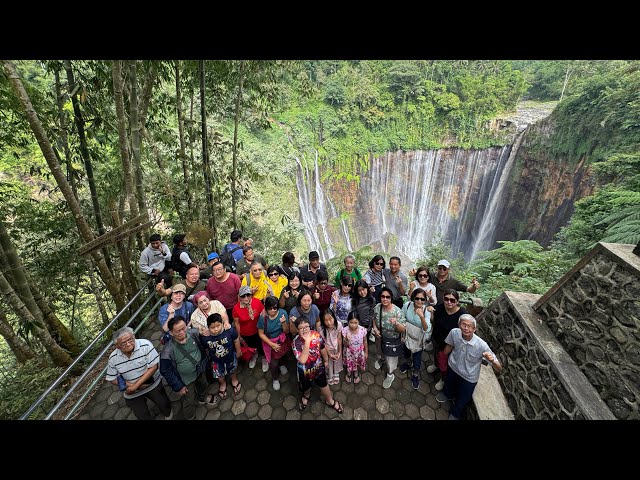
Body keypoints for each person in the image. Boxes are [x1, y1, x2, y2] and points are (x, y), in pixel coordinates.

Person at [436, 314, 502, 420]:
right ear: (459, 325)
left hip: (469, 376)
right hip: (453, 367)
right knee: (448, 384)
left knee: (463, 398)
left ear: (474, 329)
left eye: (470, 326)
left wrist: (492, 361)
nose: (466, 328)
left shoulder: (481, 345)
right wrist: (442, 359)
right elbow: (450, 345)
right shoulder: (454, 332)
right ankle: (447, 395)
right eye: (464, 325)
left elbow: (499, 368)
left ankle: (455, 413)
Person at [105, 327, 172, 420]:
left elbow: (154, 366)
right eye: (123, 343)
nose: (128, 344)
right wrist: (132, 386)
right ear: (117, 346)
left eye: (130, 339)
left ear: (134, 336)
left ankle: (168, 414)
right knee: (141, 415)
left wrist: (135, 386)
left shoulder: (145, 345)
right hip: (131, 390)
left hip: (151, 383)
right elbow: (111, 378)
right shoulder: (113, 358)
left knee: (164, 403)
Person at [160, 316, 216, 420]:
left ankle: (203, 398)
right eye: (178, 331)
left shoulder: (194, 333)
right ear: (171, 333)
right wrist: (178, 387)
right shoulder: (167, 351)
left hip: (200, 369)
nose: (182, 332)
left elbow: (204, 344)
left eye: (183, 328)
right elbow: (165, 371)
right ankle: (190, 416)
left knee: (203, 384)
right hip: (185, 379)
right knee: (189, 399)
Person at [292, 317, 344, 414]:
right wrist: (307, 341)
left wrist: (326, 360)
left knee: (323, 384)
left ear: (310, 326)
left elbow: (322, 348)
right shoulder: (296, 342)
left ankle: (330, 400)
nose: (305, 330)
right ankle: (306, 395)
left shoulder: (316, 335)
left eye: (306, 327)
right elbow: (302, 360)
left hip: (318, 369)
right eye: (301, 328)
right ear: (296, 329)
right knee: (305, 386)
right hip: (304, 372)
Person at [427, 289, 467, 391]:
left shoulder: (462, 315)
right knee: (437, 355)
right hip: (437, 339)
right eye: (446, 299)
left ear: (457, 301)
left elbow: (467, 330)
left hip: (451, 345)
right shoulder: (440, 308)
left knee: (446, 364)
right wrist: (431, 312)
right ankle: (436, 365)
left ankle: (443, 379)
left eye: (452, 300)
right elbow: (433, 320)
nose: (449, 302)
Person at [200, 313, 243, 402]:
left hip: (230, 357)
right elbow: (206, 349)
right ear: (208, 327)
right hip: (216, 361)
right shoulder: (205, 338)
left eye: (218, 326)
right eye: (212, 327)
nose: (216, 329)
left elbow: (236, 340)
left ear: (222, 324)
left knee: (232, 369)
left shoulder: (229, 331)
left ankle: (234, 380)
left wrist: (238, 351)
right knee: (219, 374)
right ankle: (222, 384)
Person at [373, 286, 406, 389]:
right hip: (380, 337)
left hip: (392, 340)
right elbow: (374, 318)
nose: (385, 299)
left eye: (388, 297)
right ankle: (382, 359)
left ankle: (390, 375)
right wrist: (375, 328)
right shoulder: (378, 307)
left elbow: (403, 330)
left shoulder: (397, 312)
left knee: (391, 361)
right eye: (383, 296)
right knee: (380, 351)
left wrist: (396, 323)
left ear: (391, 298)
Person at [400, 288, 432, 390]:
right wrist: (402, 331)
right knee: (406, 352)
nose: (419, 301)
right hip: (407, 334)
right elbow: (401, 316)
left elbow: (426, 329)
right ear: (413, 298)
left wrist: (422, 317)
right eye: (417, 298)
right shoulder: (407, 305)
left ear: (425, 300)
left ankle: (416, 374)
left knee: (417, 357)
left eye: (422, 299)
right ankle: (408, 363)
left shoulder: (426, 311)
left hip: (418, 338)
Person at [257, 296, 290, 391]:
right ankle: (275, 379)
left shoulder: (283, 313)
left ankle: (282, 364)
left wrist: (283, 323)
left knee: (283, 355)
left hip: (282, 340)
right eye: (269, 308)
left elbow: (286, 331)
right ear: (266, 308)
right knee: (273, 363)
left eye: (275, 308)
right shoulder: (263, 318)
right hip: (270, 342)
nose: (272, 311)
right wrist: (272, 345)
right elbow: (261, 334)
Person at [232, 285, 265, 369]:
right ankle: (254, 355)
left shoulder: (257, 302)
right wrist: (239, 336)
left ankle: (264, 358)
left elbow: (263, 315)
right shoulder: (236, 308)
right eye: (243, 296)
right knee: (251, 346)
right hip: (246, 333)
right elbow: (237, 323)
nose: (246, 298)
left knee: (261, 346)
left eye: (248, 295)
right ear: (240, 297)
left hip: (259, 331)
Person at [342, 310, 368, 385]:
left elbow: (365, 341)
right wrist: (346, 339)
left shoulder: (363, 330)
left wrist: (366, 352)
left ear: (359, 322)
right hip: (349, 352)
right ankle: (349, 373)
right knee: (349, 364)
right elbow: (345, 345)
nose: (353, 325)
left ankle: (356, 373)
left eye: (355, 323)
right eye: (351, 322)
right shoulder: (345, 330)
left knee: (357, 363)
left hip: (359, 352)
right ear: (348, 321)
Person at [319, 308, 343, 386]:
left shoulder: (339, 324)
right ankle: (330, 374)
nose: (329, 322)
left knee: (336, 360)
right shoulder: (322, 329)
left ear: (334, 317)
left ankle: (336, 372)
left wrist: (339, 352)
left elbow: (339, 338)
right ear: (323, 321)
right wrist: (329, 354)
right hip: (327, 349)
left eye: (330, 319)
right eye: (326, 320)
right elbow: (324, 343)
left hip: (336, 347)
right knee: (329, 362)